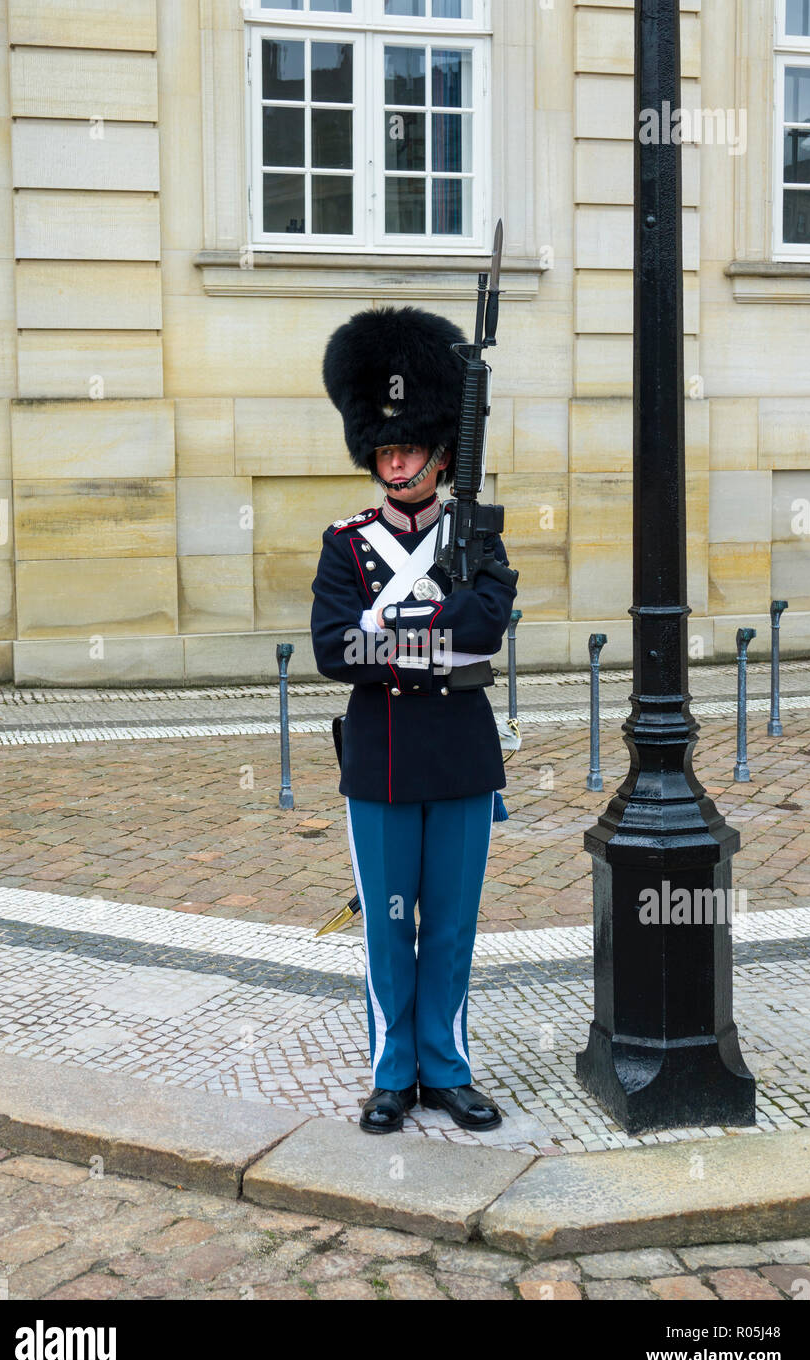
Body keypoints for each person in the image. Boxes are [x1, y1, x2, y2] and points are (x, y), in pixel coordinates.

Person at [310, 304, 518, 1135]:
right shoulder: (345, 544)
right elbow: (331, 648)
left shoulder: (480, 537)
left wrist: (387, 634)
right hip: (381, 760)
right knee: (391, 930)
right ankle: (393, 1074)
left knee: (454, 925)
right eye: (384, 450)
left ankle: (449, 1067)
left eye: (408, 448)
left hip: (462, 758)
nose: (396, 462)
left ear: (440, 452)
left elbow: (488, 624)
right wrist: (434, 634)